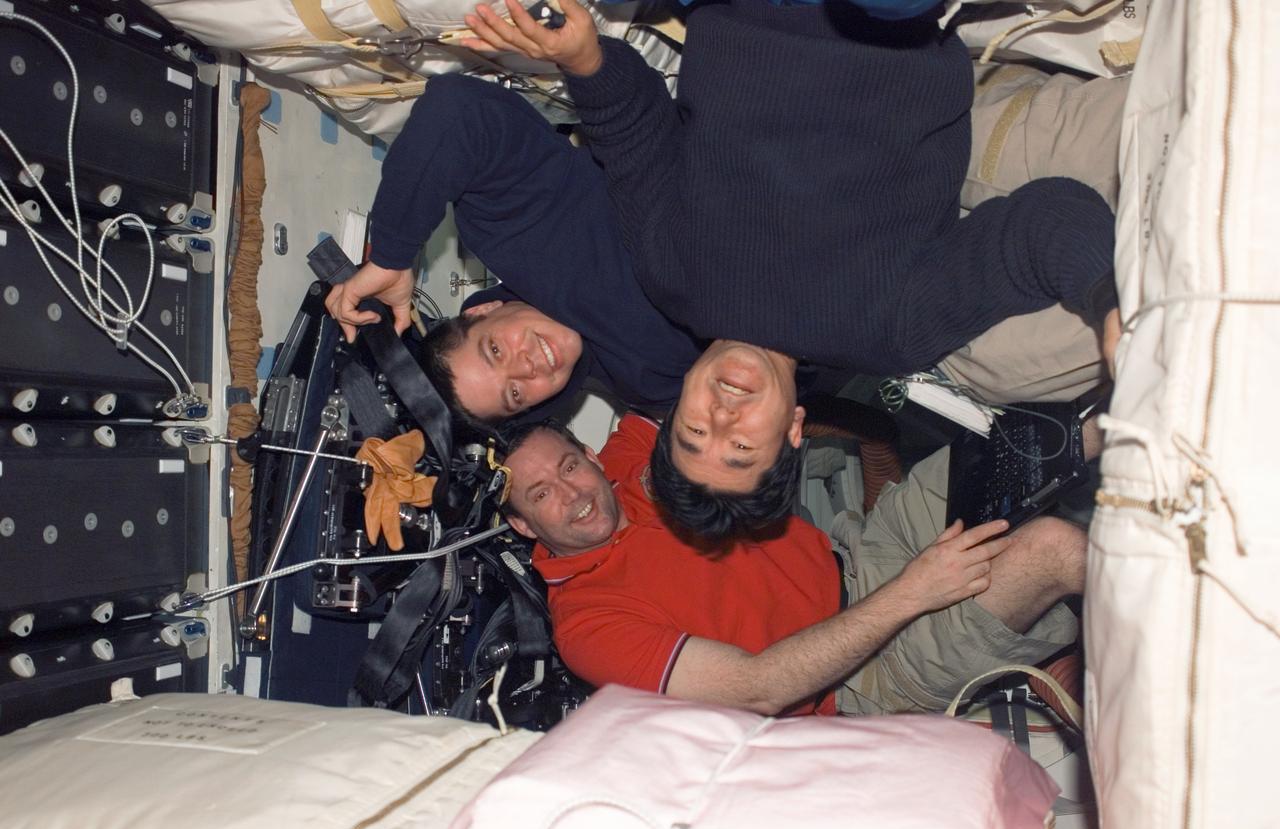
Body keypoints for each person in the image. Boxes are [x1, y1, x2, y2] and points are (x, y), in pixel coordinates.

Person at [462, 0, 1121, 538]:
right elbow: (1041, 228)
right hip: (872, 21)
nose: (721, 419)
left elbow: (632, 132)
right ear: (795, 431)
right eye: (741, 447)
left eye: (694, 431)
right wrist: (1108, 301)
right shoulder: (889, 331)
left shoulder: (672, 280)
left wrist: (583, 58)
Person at [500, 414, 1083, 716]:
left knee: (1043, 439)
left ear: (589, 455)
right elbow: (759, 689)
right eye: (540, 494)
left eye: (570, 466)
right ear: (524, 526)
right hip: (864, 671)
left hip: (864, 550)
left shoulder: (625, 467)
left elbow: (665, 363)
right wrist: (914, 591)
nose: (572, 493)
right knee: (1051, 547)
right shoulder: (587, 624)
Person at [323, 73, 703, 428]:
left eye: (496, 351)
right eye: (515, 394)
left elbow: (459, 109)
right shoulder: (649, 383)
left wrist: (391, 255)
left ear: (484, 310)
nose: (526, 367)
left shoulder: (516, 230)